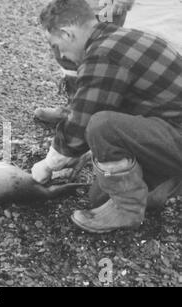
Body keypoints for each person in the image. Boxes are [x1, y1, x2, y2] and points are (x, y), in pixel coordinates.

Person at [31, 0, 182, 233]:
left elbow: (82, 124)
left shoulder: (103, 54)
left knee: (101, 125)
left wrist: (49, 164)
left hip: (176, 133)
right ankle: (165, 180)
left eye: (57, 45)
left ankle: (127, 210)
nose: (60, 54)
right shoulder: (121, 37)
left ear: (67, 33)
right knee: (99, 198)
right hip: (169, 127)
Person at [35, 0, 135, 123]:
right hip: (76, 6)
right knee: (66, 51)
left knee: (102, 56)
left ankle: (99, 112)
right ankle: (75, 110)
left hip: (105, 8)